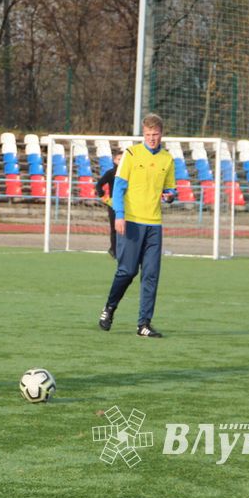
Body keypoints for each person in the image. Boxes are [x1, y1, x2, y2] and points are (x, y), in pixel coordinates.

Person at [96, 114, 175, 337]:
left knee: (151, 275)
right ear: (143, 134)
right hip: (131, 222)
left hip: (154, 225)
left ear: (161, 134)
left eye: (155, 134)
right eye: (148, 134)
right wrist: (119, 216)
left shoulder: (168, 159)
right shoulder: (131, 154)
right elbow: (119, 187)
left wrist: (170, 196)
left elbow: (170, 188)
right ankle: (109, 308)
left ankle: (144, 324)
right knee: (127, 271)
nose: (152, 138)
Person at [95, 151, 124, 258]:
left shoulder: (129, 172)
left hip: (127, 204)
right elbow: (99, 185)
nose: (121, 161)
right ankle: (114, 250)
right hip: (113, 204)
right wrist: (104, 198)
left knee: (126, 228)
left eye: (123, 159)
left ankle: (125, 250)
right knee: (114, 228)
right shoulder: (111, 173)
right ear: (114, 160)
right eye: (119, 159)